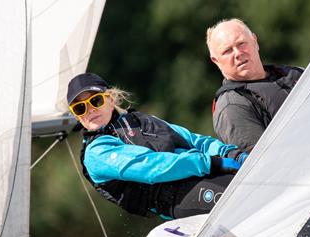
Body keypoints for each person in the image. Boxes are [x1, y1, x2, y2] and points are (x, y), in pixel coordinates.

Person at [67, 72, 248, 219]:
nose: (90, 110)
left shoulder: (139, 120)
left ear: (110, 99)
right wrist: (211, 163)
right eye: (79, 108)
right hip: (177, 198)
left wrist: (230, 153)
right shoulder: (96, 153)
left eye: (95, 100)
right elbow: (150, 166)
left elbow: (193, 140)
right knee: (246, 200)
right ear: (76, 116)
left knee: (256, 188)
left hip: (204, 173)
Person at [207, 18, 304, 153]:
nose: (238, 53)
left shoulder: (295, 73)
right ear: (216, 60)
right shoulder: (232, 106)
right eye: (227, 51)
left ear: (255, 42)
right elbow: (265, 165)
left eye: (241, 43)